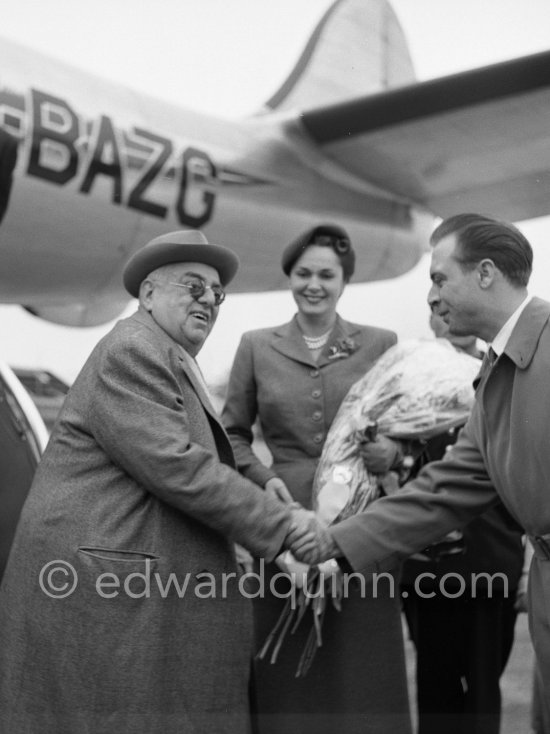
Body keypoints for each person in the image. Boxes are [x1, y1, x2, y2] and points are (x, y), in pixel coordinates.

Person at [0, 229, 312, 734]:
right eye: (193, 286)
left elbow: (204, 444)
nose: (209, 299)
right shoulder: (134, 349)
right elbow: (177, 463)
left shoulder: (164, 352)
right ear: (148, 294)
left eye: (217, 294)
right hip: (106, 596)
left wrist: (260, 480)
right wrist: (285, 528)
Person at [289, 213, 550, 733]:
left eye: (438, 278)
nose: (430, 297)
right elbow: (445, 491)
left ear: (486, 273)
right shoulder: (494, 376)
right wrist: (334, 543)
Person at [222, 224, 412, 734]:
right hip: (284, 523)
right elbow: (231, 436)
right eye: (303, 273)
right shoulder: (256, 346)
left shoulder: (380, 343)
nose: (314, 284)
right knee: (286, 659)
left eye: (326, 274)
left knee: (361, 658)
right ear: (290, 278)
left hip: (363, 522)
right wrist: (264, 481)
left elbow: (403, 437)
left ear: (344, 281)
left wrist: (388, 452)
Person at [400, 309, 524, 734]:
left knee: (483, 687)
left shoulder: (501, 375)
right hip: (427, 565)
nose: (443, 316)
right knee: (435, 686)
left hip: (491, 557)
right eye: (434, 309)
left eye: (449, 305)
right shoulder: (408, 381)